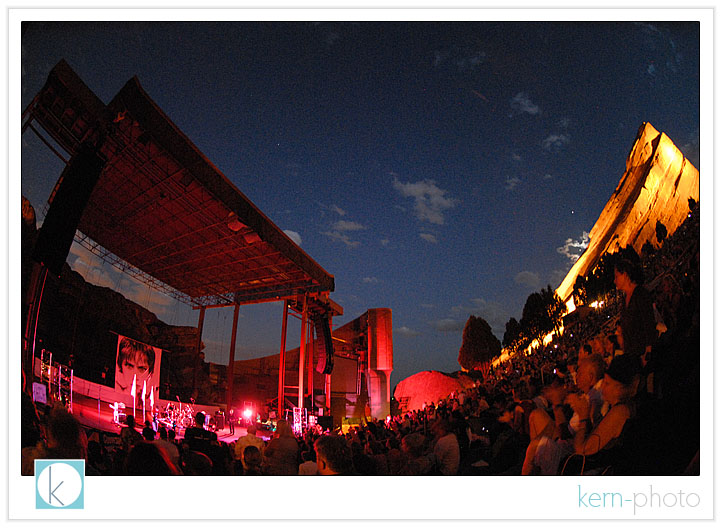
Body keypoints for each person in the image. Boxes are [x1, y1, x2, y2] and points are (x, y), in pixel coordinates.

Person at [614, 259, 657, 364]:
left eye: (616, 276)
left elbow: (649, 322)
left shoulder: (640, 294)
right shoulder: (624, 300)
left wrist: (648, 350)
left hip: (644, 355)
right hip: (633, 355)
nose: (614, 281)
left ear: (625, 275)